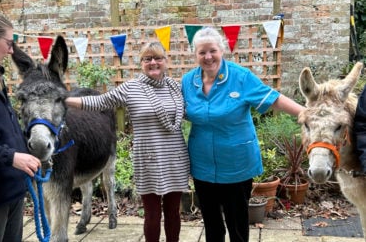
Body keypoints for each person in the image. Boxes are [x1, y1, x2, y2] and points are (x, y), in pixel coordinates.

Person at [181, 27, 305, 242]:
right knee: (212, 225)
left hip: (236, 165)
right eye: (202, 52)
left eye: (212, 51)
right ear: (195, 55)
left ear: (222, 50)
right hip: (202, 165)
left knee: (237, 224)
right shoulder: (187, 82)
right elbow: (174, 108)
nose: (208, 57)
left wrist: (305, 112)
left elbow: (273, 98)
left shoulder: (240, 77)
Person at [65, 42, 190, 242]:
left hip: (175, 159)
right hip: (148, 159)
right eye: (147, 59)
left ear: (166, 61)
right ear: (141, 63)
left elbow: (193, 112)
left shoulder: (175, 87)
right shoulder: (131, 88)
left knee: (174, 212)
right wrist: (63, 99)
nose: (153, 62)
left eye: (158, 58)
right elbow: (100, 102)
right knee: (152, 214)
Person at [0, 12, 41, 242]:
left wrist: (30, 145)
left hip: (12, 187)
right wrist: (12, 157)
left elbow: (5, 126)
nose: (12, 50)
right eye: (8, 43)